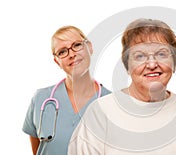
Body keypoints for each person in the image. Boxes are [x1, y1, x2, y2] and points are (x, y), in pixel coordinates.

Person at [68, 18, 176, 155]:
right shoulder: (100, 115)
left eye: (162, 54)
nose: (152, 64)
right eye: (140, 56)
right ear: (127, 65)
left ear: (174, 63)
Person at [22, 25, 111, 155]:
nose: (72, 54)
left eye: (77, 45)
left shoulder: (112, 103)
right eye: (62, 52)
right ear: (57, 61)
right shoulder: (41, 99)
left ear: (90, 47)